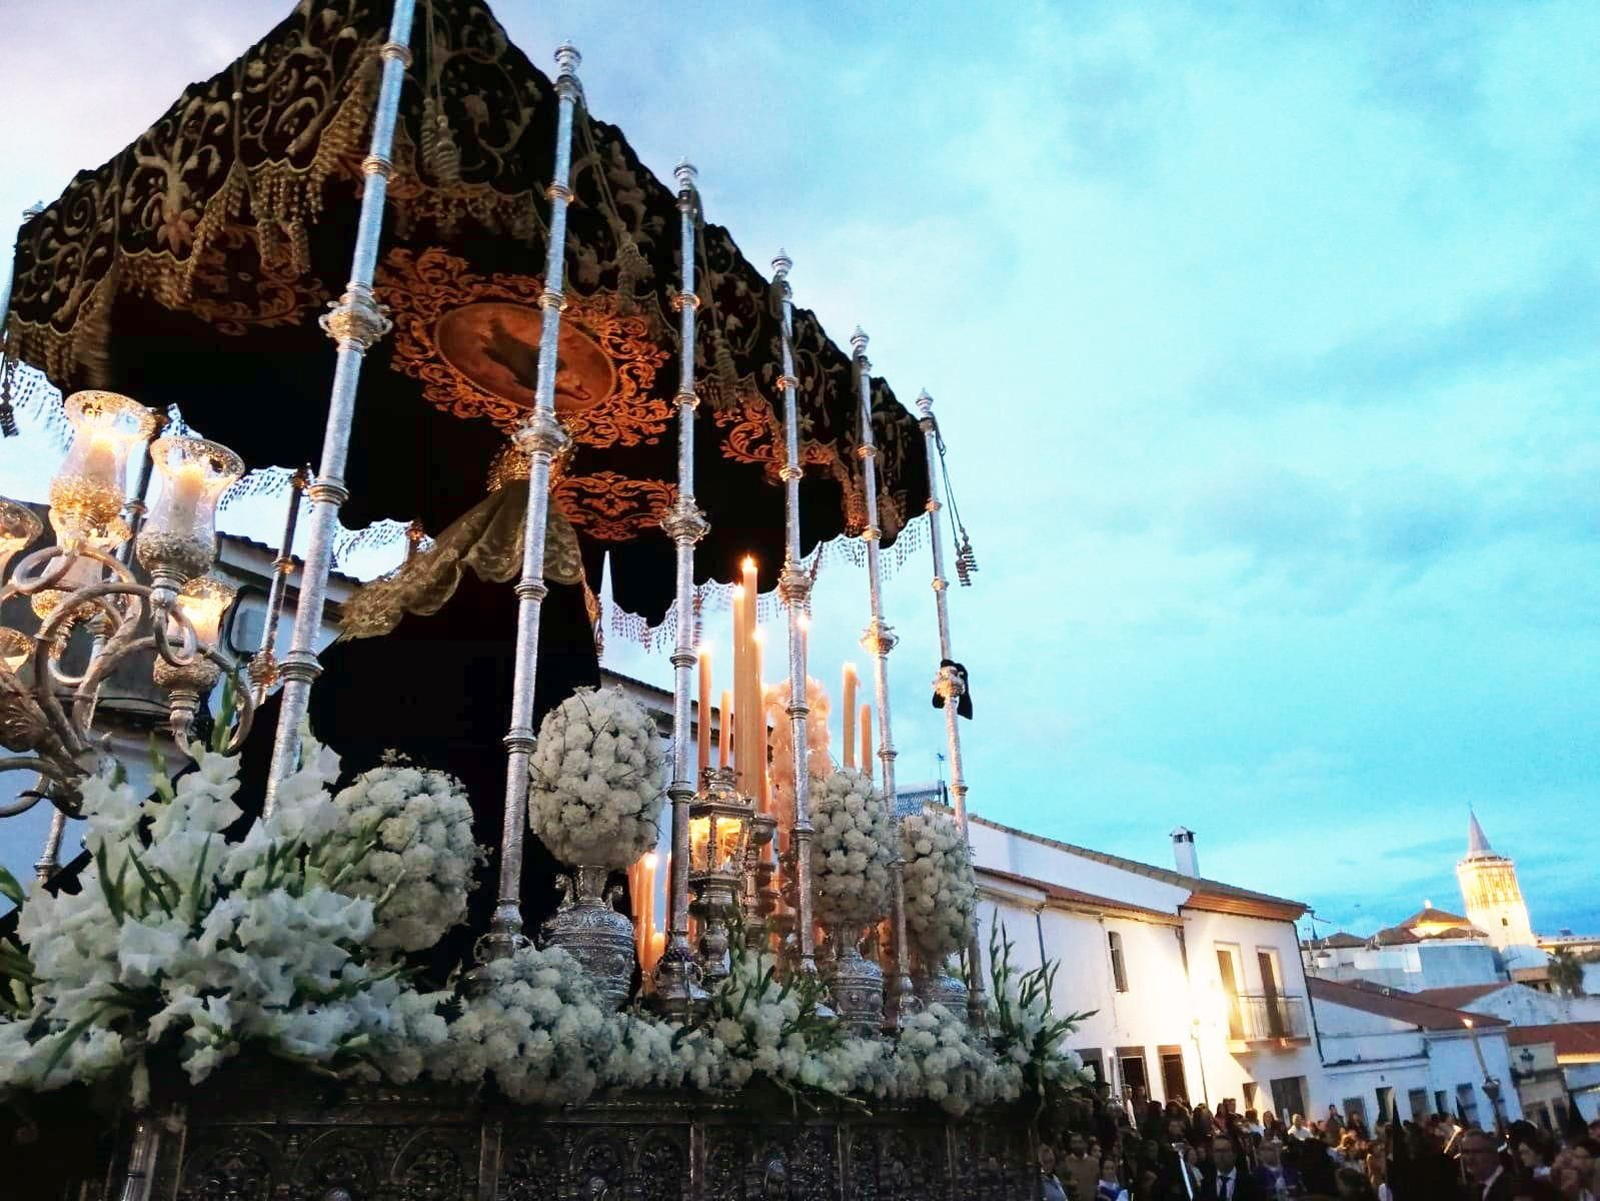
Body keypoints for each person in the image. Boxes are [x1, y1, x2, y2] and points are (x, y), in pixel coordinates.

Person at [1460, 1128, 1516, 1201]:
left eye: (1477, 1151)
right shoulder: (1470, 1192)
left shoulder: (1514, 1187)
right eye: (1466, 1152)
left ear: (1492, 1154)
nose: (1470, 1158)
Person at [1202, 1134, 1260, 1200]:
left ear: (1234, 1154)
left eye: (1225, 1151)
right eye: (1217, 1151)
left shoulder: (1249, 1183)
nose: (1220, 1155)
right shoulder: (1206, 1183)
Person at [1065, 1132, 1103, 1201]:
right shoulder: (1066, 1162)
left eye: (1080, 1142)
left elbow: (1097, 1184)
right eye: (1074, 1142)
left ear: (1085, 1144)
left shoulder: (1094, 1163)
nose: (1077, 1145)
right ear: (1070, 1144)